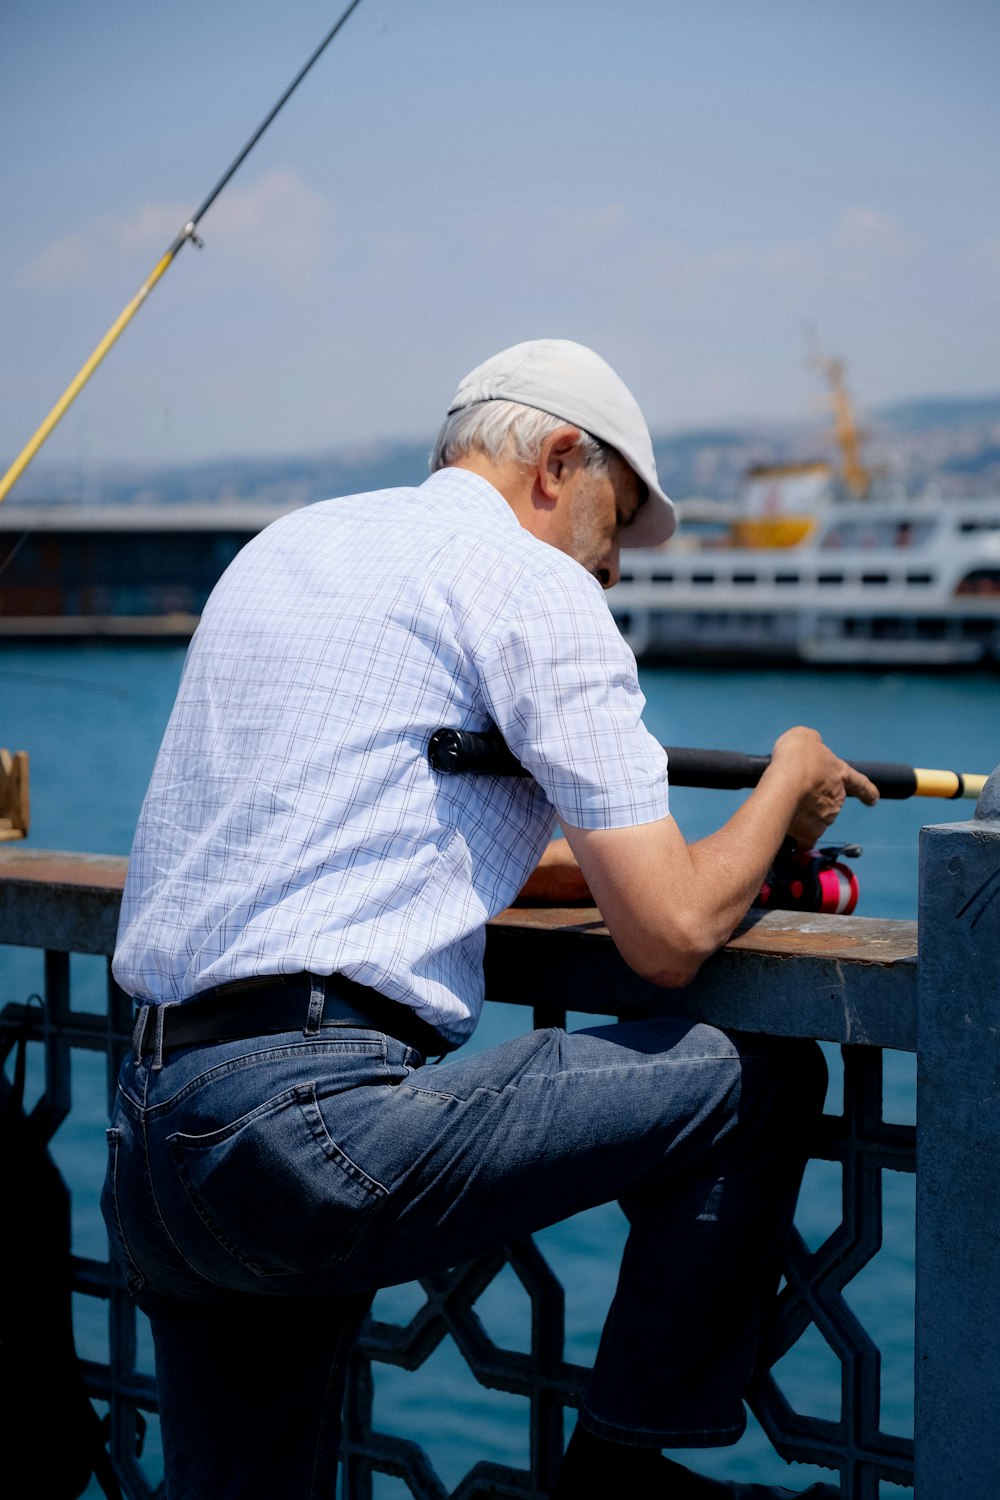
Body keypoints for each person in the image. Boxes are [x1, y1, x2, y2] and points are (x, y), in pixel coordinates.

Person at [103, 338, 877, 1500]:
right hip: (310, 1131)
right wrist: (788, 783)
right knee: (753, 1075)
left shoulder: (294, 545)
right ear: (559, 461)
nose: (612, 570)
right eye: (615, 526)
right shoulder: (531, 583)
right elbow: (666, 936)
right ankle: (626, 1467)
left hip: (154, 1138)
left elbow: (399, 839)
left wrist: (725, 861)